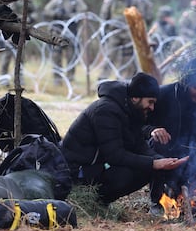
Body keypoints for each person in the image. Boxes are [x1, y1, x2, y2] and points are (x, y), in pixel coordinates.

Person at [61, 72, 188, 204]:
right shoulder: (106, 110)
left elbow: (139, 146)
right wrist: (153, 163)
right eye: (150, 102)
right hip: (77, 172)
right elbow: (115, 155)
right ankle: (92, 201)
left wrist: (163, 161)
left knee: (147, 168)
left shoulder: (131, 111)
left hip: (96, 168)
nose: (152, 107)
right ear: (135, 97)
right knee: (130, 173)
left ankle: (100, 201)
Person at [143, 58, 196, 216]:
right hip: (163, 159)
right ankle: (156, 201)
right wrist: (153, 130)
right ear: (185, 83)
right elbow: (140, 125)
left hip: (191, 163)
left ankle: (186, 196)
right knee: (157, 142)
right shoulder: (163, 95)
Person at [43, 0, 88, 85]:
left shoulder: (75, 0)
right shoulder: (56, 0)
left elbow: (83, 11)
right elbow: (46, 11)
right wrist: (56, 14)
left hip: (71, 32)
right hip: (57, 32)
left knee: (71, 55)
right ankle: (57, 78)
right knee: (56, 55)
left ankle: (70, 78)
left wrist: (70, 16)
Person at [98, 0, 140, 81]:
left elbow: (139, 17)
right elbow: (104, 16)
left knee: (127, 58)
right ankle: (102, 79)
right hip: (113, 33)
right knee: (110, 56)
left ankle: (123, 80)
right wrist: (104, 31)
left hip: (128, 34)